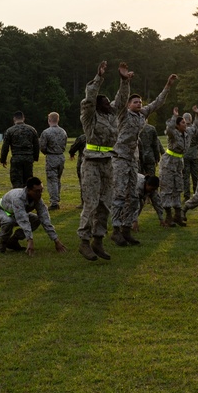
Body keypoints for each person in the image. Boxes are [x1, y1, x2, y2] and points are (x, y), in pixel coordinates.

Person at [110, 73, 176, 247]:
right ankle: (115, 231)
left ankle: (126, 230)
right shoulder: (123, 114)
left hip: (133, 159)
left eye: (140, 102)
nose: (139, 104)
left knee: (133, 196)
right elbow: (121, 97)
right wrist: (125, 81)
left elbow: (157, 103)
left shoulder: (142, 115)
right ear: (128, 105)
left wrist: (167, 86)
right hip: (120, 158)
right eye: (135, 102)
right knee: (119, 195)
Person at [76, 61, 131, 262]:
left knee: (105, 203)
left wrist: (124, 81)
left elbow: (122, 99)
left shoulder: (111, 115)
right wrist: (99, 78)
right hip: (91, 162)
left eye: (109, 100)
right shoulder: (89, 116)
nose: (108, 102)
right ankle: (84, 241)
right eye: (104, 100)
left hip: (108, 162)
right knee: (90, 203)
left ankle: (98, 240)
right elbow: (89, 98)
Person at [0, 177, 67, 255]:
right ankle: (3, 245)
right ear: (29, 190)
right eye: (37, 191)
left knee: (36, 219)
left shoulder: (37, 199)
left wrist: (56, 241)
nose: (40, 194)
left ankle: (13, 241)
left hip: (14, 214)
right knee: (9, 221)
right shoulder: (18, 198)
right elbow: (23, 220)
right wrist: (30, 240)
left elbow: (45, 219)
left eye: (41, 190)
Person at [160, 105, 198, 227]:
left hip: (178, 163)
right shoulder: (173, 133)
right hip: (168, 162)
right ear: (177, 125)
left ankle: (177, 215)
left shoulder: (187, 132)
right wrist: (175, 116)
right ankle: (168, 217)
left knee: (178, 188)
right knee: (167, 188)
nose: (185, 124)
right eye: (182, 123)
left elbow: (197, 127)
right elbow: (169, 128)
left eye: (185, 122)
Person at [0, 111, 40, 189]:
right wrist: (35, 157)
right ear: (23, 118)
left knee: (16, 182)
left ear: (14, 119)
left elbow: (5, 147)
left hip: (16, 158)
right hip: (28, 158)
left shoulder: (10, 131)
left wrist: (3, 159)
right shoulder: (32, 130)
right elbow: (36, 145)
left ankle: (18, 199)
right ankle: (27, 199)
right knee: (28, 182)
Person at [39, 112, 68, 210]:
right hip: (61, 157)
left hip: (51, 157)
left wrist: (47, 152)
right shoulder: (63, 131)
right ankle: (57, 197)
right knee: (58, 180)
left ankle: (54, 202)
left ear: (49, 120)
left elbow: (42, 147)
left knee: (52, 180)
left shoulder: (46, 132)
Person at [68, 133, 87, 205]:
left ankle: (84, 202)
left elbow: (73, 148)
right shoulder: (101, 135)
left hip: (83, 161)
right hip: (101, 160)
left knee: (83, 182)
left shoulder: (82, 138)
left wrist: (71, 154)